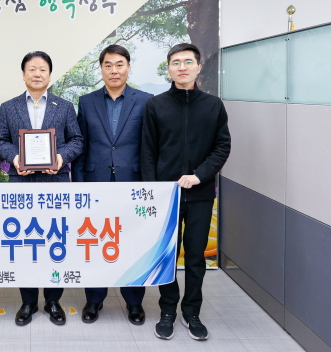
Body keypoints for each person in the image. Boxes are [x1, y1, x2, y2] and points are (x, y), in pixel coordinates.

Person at [141, 43, 231, 341]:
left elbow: (222, 147)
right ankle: (167, 310)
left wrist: (199, 176)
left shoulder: (214, 105)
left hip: (201, 194)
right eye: (176, 62)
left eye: (188, 62)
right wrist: (154, 191)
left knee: (195, 257)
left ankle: (192, 312)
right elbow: (148, 152)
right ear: (168, 69)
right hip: (166, 197)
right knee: (167, 255)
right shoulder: (156, 105)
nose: (182, 67)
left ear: (198, 67)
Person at [0, 51, 83, 326]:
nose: (37, 74)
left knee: (55, 242)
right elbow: (0, 141)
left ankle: (53, 300)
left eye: (42, 69)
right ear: (23, 74)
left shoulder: (64, 106)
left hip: (55, 184)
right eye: (31, 69)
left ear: (49, 75)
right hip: (21, 184)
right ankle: (28, 302)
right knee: (25, 243)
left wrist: (60, 158)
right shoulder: (8, 107)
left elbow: (77, 140)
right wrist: (15, 158)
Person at [72, 44, 153, 325]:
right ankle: (94, 300)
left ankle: (134, 302)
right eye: (108, 65)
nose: (114, 70)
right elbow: (81, 147)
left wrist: (149, 187)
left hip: (133, 183)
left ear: (128, 67)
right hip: (95, 184)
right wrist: (79, 186)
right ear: (102, 69)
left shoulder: (146, 101)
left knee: (132, 242)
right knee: (95, 241)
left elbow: (149, 147)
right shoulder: (87, 102)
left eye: (119, 64)